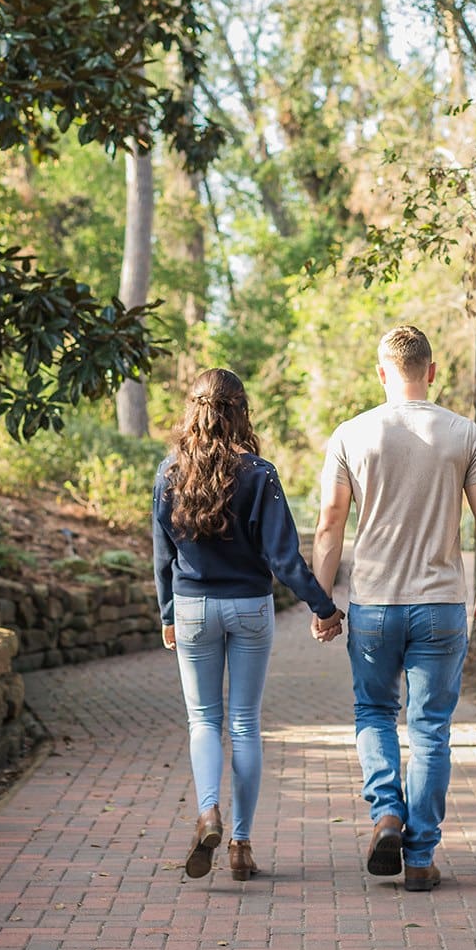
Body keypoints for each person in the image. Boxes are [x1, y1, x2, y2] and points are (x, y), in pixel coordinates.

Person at [310, 326, 476, 890]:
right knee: (429, 731)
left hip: (372, 605)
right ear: (433, 370)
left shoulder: (351, 434)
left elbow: (329, 523)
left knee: (374, 713)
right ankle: (419, 859)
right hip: (441, 604)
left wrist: (324, 602)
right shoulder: (463, 433)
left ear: (381, 373)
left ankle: (386, 813)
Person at [154, 368, 343, 882]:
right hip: (250, 608)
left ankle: (208, 811)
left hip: (192, 608)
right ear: (240, 412)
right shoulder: (260, 474)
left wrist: (168, 613)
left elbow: (163, 556)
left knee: (203, 722)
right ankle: (239, 844)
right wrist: (322, 607)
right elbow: (283, 558)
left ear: (192, 411)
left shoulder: (169, 473)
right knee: (244, 724)